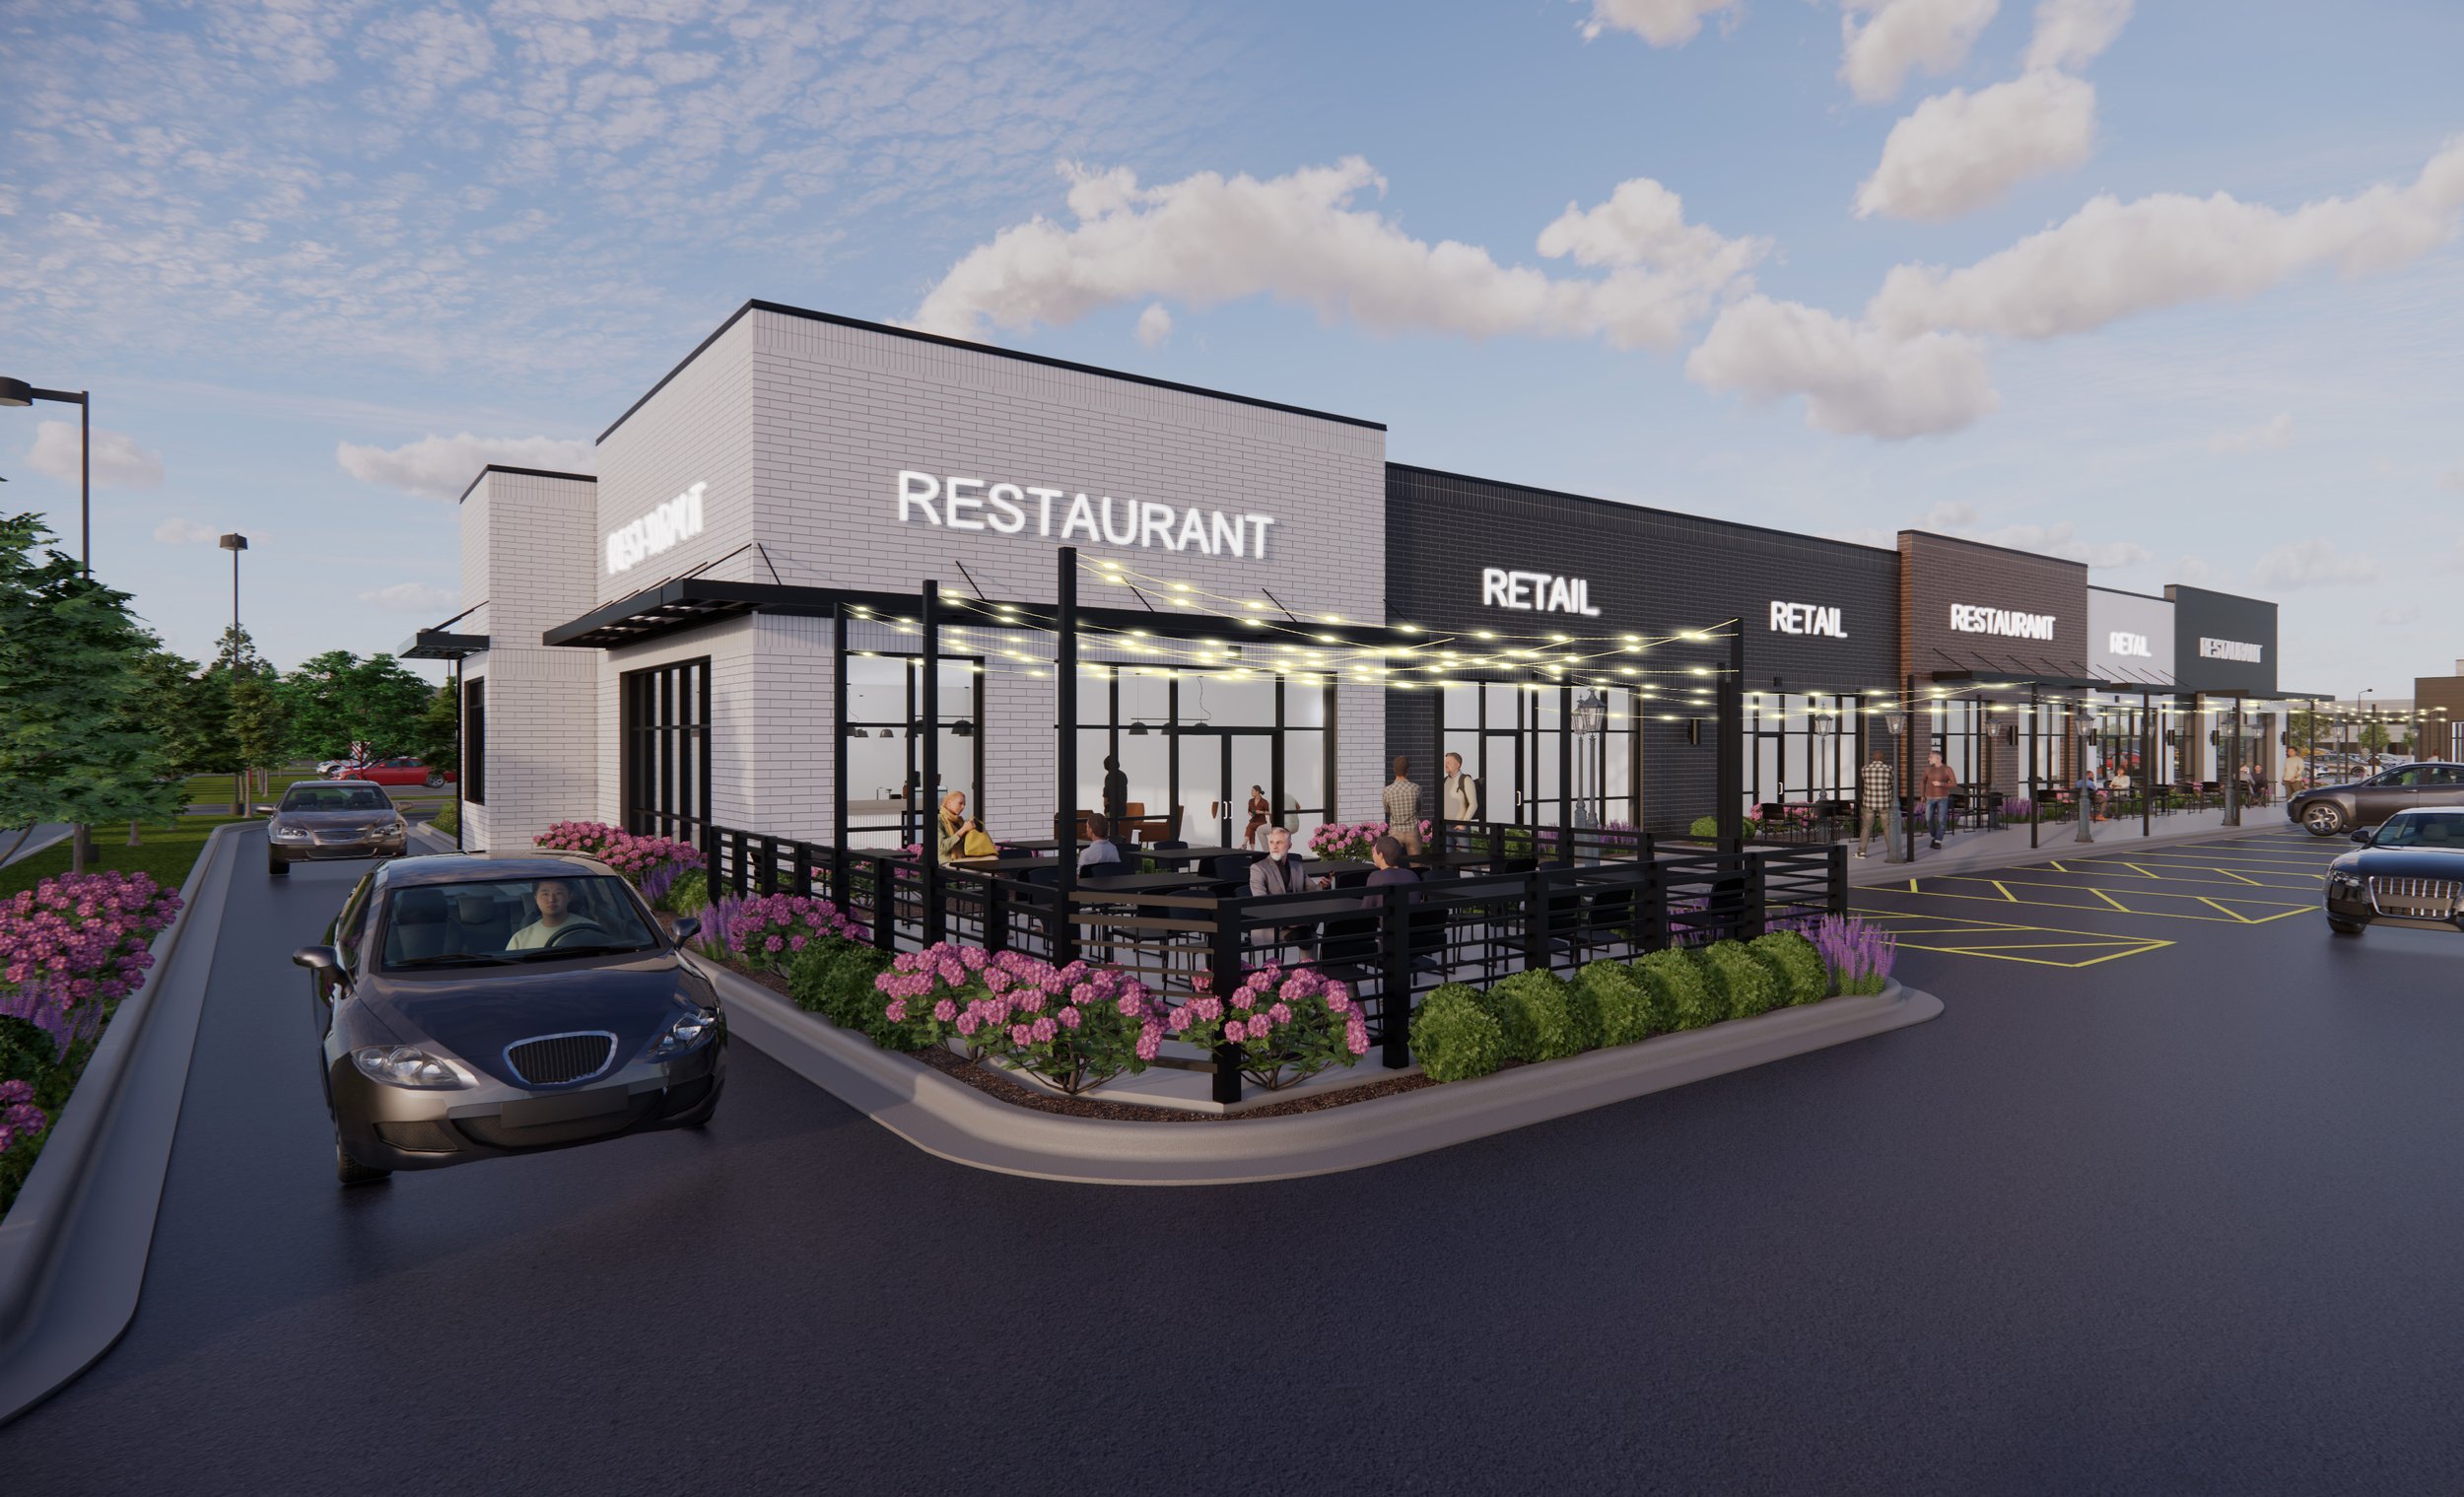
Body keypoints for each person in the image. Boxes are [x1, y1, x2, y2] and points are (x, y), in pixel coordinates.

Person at [507, 878, 584, 950]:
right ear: (535, 898)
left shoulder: (589, 929)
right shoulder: (519, 939)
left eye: (558, 893)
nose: (551, 899)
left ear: (570, 896)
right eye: (545, 894)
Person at [1248, 824, 1324, 895]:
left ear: (1289, 846)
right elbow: (1260, 901)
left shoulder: (1298, 867)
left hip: (1298, 908)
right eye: (1271, 842)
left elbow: (1312, 891)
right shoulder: (1258, 868)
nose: (1274, 846)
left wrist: (1323, 886)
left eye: (1279, 842)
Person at [1360, 833, 1419, 909]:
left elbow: (1366, 908)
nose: (1373, 855)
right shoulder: (1412, 875)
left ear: (1381, 855)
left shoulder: (1375, 877)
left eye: (1373, 852)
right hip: (1410, 920)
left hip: (1386, 920)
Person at [1856, 747, 1894, 859]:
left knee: (1866, 827)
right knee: (1887, 827)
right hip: (1885, 803)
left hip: (1869, 802)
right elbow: (1892, 782)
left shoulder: (1865, 769)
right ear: (1883, 758)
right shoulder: (1889, 769)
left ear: (1873, 758)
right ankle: (1891, 851)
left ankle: (1862, 852)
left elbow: (1865, 781)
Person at [937, 790, 996, 861]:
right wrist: (963, 830)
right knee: (991, 861)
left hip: (963, 858)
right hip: (948, 861)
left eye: (964, 804)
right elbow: (942, 847)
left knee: (993, 858)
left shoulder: (959, 821)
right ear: (949, 803)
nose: (963, 807)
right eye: (960, 803)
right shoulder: (939, 820)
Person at [1383, 756, 1425, 855]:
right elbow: (1419, 808)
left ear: (1394, 770)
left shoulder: (1387, 790)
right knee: (1416, 865)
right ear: (1408, 770)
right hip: (1412, 832)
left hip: (1395, 833)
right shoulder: (1416, 788)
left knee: (1395, 863)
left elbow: (1387, 810)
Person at [1921, 751, 1957, 851]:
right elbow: (1923, 781)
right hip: (1930, 798)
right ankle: (1935, 836)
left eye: (1930, 757)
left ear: (1938, 758)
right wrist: (1922, 795)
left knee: (1941, 820)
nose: (1928, 759)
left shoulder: (1947, 769)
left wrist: (1941, 784)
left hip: (1943, 798)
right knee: (1928, 819)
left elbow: (1954, 784)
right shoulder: (1927, 769)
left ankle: (1937, 841)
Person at [1442, 751, 1480, 823]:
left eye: (1449, 762)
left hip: (1459, 828)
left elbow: (1473, 804)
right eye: (1445, 762)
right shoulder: (1444, 781)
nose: (1446, 765)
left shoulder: (1466, 780)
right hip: (1444, 826)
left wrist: (1463, 823)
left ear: (1457, 765)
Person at [1101, 754, 1129, 826]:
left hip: (1111, 810)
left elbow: (1107, 793)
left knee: (1111, 830)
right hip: (1122, 809)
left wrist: (1105, 802)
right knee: (1121, 829)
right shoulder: (1123, 775)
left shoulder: (1109, 776)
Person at [1243, 784, 1269, 849]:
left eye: (1252, 791)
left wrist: (1261, 812)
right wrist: (1250, 813)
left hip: (1261, 821)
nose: (1251, 792)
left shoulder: (1264, 802)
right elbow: (1249, 810)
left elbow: (1269, 812)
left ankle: (1244, 845)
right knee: (1251, 830)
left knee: (1249, 826)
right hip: (1253, 820)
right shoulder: (1250, 801)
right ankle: (1252, 850)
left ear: (1257, 792)